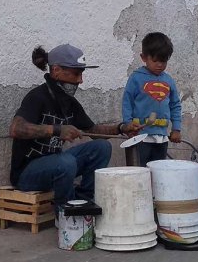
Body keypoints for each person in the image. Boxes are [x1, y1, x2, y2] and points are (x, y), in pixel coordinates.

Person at [9, 43, 142, 208]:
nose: (80, 80)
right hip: (27, 174)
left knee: (102, 147)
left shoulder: (69, 103)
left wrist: (121, 128)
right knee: (66, 162)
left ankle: (83, 201)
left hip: (57, 165)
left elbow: (93, 131)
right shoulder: (37, 97)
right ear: (56, 71)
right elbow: (16, 129)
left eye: (82, 74)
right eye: (76, 74)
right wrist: (57, 130)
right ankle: (64, 213)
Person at [122, 32, 182, 167]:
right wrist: (127, 124)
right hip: (141, 136)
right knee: (141, 170)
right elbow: (127, 102)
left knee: (159, 169)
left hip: (162, 137)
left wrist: (176, 129)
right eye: (155, 61)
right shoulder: (136, 78)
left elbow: (175, 105)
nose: (160, 65)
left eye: (164, 61)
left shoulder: (168, 80)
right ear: (143, 57)